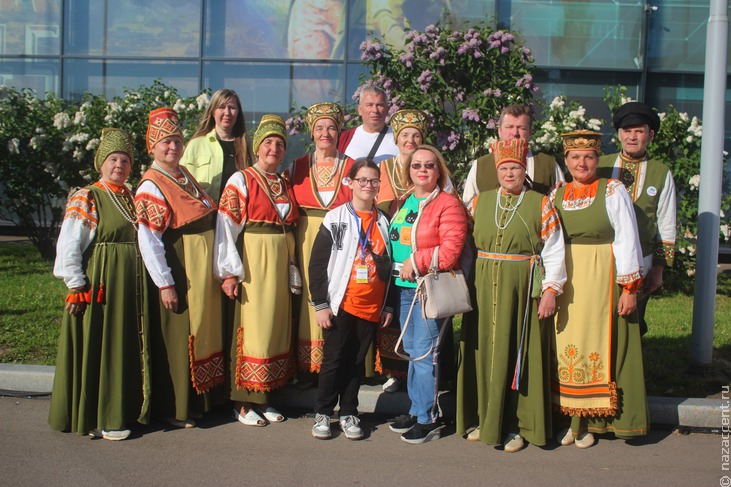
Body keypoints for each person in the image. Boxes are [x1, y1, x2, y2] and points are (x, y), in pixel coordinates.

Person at [456, 138, 566, 453]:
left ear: (523, 170)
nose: (509, 173)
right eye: (504, 168)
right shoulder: (478, 202)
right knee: (482, 351)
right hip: (481, 283)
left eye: (515, 167)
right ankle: (482, 419)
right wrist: (461, 281)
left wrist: (551, 290)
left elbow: (555, 250)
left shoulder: (541, 203)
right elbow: (465, 246)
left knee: (516, 354)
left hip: (521, 288)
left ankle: (514, 427)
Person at [49, 128, 150, 441]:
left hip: (128, 286)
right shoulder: (88, 196)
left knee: (121, 347)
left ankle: (122, 409)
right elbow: (69, 244)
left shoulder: (129, 197)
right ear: (101, 163)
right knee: (102, 346)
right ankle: (99, 416)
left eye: (125, 160)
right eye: (113, 159)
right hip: (102, 283)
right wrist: (76, 284)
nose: (119, 165)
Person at [550, 130, 646, 449]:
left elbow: (628, 239)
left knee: (595, 342)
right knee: (564, 342)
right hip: (568, 279)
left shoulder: (612, 190)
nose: (582, 163)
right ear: (566, 161)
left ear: (597, 160)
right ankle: (568, 419)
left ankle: (592, 422)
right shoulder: (556, 195)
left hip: (602, 277)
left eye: (589, 157)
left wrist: (629, 288)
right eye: (575, 157)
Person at [135, 108, 224, 429]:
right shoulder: (151, 185)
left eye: (176, 141)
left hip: (200, 268)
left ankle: (199, 401)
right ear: (152, 146)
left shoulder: (183, 175)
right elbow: (149, 239)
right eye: (165, 143)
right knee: (180, 337)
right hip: (181, 265)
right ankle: (174, 408)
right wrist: (166, 283)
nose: (172, 147)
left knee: (201, 331)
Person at [214, 114, 299, 426]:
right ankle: (243, 402)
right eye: (268, 143)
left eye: (279, 143)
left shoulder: (284, 182)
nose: (273, 148)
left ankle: (267, 396)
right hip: (254, 259)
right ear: (257, 147)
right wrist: (229, 273)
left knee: (276, 328)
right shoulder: (242, 180)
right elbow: (226, 227)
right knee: (254, 329)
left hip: (279, 260)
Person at [386, 144, 468, 444]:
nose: (422, 170)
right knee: (413, 353)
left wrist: (416, 260)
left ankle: (429, 419)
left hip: (429, 288)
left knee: (425, 354)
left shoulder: (448, 204)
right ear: (409, 170)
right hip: (404, 289)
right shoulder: (403, 201)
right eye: (416, 165)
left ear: (439, 171)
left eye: (429, 165)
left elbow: (450, 250)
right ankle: (416, 407)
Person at [308, 159, 393, 440]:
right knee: (334, 360)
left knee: (357, 362)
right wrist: (321, 304)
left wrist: (388, 304)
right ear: (351, 183)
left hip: (371, 306)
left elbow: (391, 266)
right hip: (341, 303)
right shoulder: (335, 218)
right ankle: (323, 412)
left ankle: (349, 412)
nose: (368, 186)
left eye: (374, 181)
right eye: (363, 180)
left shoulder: (383, 220)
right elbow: (317, 265)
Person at [597, 101, 676, 336]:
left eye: (639, 131)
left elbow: (666, 222)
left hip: (642, 259)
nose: (632, 137)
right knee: (600, 318)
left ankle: (631, 370)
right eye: (627, 131)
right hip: (600, 257)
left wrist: (659, 269)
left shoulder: (660, 172)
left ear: (650, 135)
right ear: (619, 134)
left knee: (632, 321)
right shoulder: (600, 165)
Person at [286, 102, 353, 377]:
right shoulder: (296, 167)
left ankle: (335, 363)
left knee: (338, 291)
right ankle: (307, 367)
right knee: (309, 297)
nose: (326, 133)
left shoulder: (351, 167)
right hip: (306, 235)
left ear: (339, 132)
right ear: (311, 133)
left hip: (341, 235)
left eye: (332, 127)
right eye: (319, 127)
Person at [374, 108, 429, 393]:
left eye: (416, 135)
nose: (410, 140)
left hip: (420, 253)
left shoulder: (428, 168)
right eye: (405, 135)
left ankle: (419, 369)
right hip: (389, 249)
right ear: (396, 138)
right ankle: (394, 371)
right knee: (391, 309)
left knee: (420, 313)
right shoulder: (383, 169)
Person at [462, 104, 565, 203]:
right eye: (509, 127)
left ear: (530, 133)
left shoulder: (548, 164)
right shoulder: (480, 166)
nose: (515, 133)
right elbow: (468, 207)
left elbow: (561, 202)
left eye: (521, 128)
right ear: (499, 131)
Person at [180, 88, 253, 202]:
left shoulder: (246, 148)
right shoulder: (196, 145)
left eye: (232, 108)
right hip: (204, 216)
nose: (227, 112)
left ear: (238, 113)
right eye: (222, 107)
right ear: (213, 111)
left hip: (235, 217)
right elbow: (181, 184)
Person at [337, 85, 399, 163]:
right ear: (359, 110)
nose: (375, 110)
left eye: (379, 105)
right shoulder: (343, 138)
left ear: (387, 109)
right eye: (369, 105)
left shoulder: (400, 137)